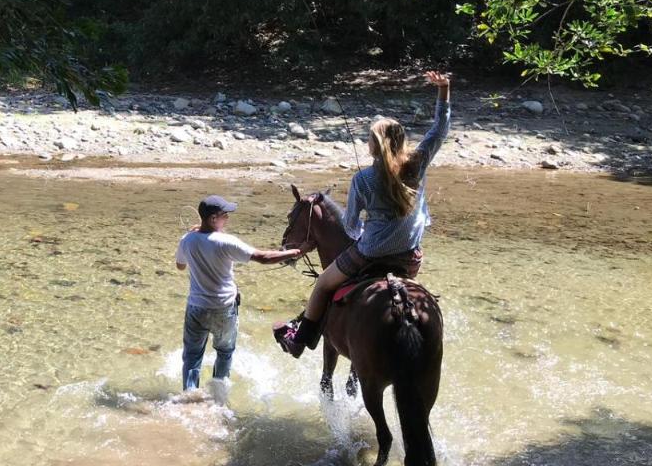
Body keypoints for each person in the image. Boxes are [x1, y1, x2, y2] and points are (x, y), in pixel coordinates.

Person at [275, 71, 452, 358]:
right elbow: (440, 129)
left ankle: (299, 341)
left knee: (322, 285)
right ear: (402, 141)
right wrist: (444, 89)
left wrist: (362, 237)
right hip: (410, 256)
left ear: (373, 145)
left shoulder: (363, 179)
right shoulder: (417, 164)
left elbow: (351, 226)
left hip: (370, 253)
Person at [176, 195, 301, 390]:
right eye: (225, 215)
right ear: (213, 219)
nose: (227, 218)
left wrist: (194, 237)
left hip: (196, 308)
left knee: (192, 357)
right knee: (224, 352)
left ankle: (190, 396)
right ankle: (218, 397)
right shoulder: (227, 242)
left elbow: (180, 266)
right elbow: (264, 257)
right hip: (223, 308)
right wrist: (295, 252)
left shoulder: (187, 239)